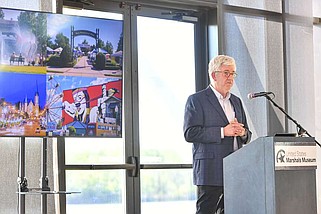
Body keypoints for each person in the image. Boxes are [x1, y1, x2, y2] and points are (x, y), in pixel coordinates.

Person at [183, 55, 252, 214]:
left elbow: (247, 135)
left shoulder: (236, 101)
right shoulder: (196, 100)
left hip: (235, 169)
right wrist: (223, 131)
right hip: (210, 169)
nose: (231, 78)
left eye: (233, 73)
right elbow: (190, 133)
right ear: (214, 75)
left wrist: (242, 132)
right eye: (226, 73)